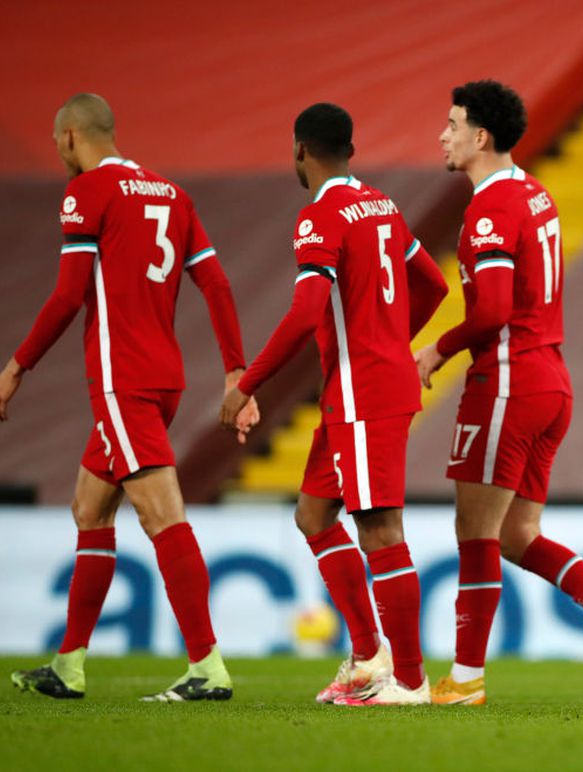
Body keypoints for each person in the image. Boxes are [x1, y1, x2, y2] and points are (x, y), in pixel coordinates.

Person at [0, 93, 257, 702]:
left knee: (163, 516)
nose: (60, 152)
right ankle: (69, 664)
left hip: (121, 380)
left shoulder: (87, 192)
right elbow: (214, 281)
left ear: (73, 135)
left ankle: (207, 665)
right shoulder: (170, 193)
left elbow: (66, 296)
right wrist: (234, 369)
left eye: (59, 141)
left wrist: (15, 368)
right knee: (91, 509)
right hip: (164, 378)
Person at [414, 80, 583, 705]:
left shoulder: (492, 207)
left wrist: (436, 350)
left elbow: (495, 307)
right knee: (516, 535)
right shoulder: (534, 193)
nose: (442, 135)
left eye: (451, 124)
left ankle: (466, 680)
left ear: (481, 136)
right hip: (550, 381)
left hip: (506, 383)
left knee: (475, 534)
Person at [220, 103, 448, 706]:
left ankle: (410, 680)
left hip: (365, 391)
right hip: (357, 389)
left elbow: (305, 312)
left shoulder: (320, 216)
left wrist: (248, 383)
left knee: (379, 529)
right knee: (314, 516)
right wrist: (393, 342)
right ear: (350, 147)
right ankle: (369, 656)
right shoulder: (383, 206)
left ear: (301, 150)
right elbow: (434, 284)